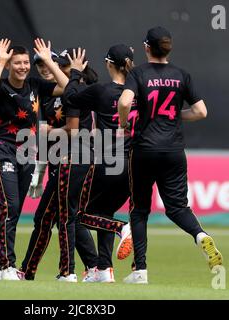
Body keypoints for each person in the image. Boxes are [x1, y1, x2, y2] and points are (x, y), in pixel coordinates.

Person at [118, 26, 223, 284]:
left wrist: (124, 123)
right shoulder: (181, 75)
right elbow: (201, 112)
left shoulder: (138, 73)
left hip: (143, 149)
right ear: (168, 48)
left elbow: (123, 102)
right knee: (177, 207)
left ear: (146, 48)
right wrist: (176, 116)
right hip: (174, 151)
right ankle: (200, 235)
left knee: (140, 210)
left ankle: (140, 271)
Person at [0, 38, 68, 281]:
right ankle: (6, 265)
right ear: (9, 65)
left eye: (25, 62)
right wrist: (0, 62)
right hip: (2, 149)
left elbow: (67, 86)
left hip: (27, 150)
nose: (22, 66)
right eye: (17, 63)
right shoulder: (2, 86)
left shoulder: (35, 84)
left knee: (14, 210)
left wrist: (50, 62)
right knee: (8, 207)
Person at [20, 50, 98, 282]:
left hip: (73, 160)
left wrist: (48, 132)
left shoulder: (73, 91)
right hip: (60, 163)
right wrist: (39, 173)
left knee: (63, 217)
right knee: (53, 217)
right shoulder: (45, 95)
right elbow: (45, 140)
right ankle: (94, 268)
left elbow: (71, 130)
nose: (44, 68)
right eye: (40, 65)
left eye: (50, 64)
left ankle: (69, 271)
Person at [62, 44, 138, 283]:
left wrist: (75, 72)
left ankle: (120, 228)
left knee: (74, 215)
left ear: (108, 64)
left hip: (106, 162)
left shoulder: (100, 91)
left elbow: (70, 97)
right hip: (133, 165)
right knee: (104, 210)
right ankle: (104, 270)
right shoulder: (140, 91)